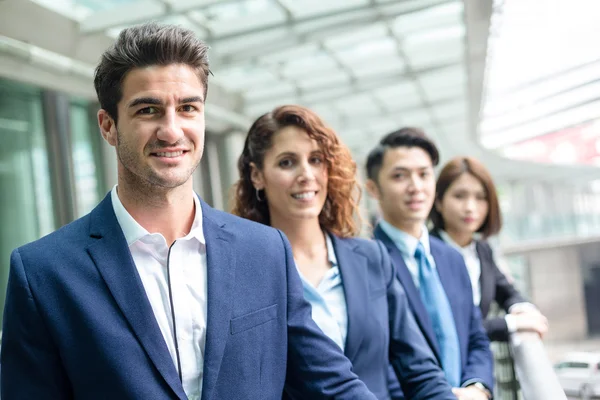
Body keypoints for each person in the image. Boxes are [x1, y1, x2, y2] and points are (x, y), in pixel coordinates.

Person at [0, 23, 379, 400]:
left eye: (187, 108)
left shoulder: (264, 251)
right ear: (108, 126)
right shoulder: (44, 274)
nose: (171, 130)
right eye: (148, 110)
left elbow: (330, 383)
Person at [232, 105, 457, 400]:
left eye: (316, 160)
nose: (306, 175)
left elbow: (420, 370)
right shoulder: (246, 275)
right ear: (257, 175)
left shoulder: (371, 259)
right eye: (287, 163)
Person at [366, 128, 495, 400]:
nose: (416, 186)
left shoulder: (451, 257)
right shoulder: (364, 262)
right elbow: (373, 357)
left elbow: (476, 336)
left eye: (424, 174)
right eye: (400, 176)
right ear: (373, 188)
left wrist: (478, 387)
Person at [429, 156, 549, 342]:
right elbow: (450, 327)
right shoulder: (425, 253)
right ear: (438, 202)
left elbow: (507, 292)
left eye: (480, 197)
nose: (470, 207)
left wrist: (522, 309)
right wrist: (510, 323)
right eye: (459, 196)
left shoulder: (481, 250)